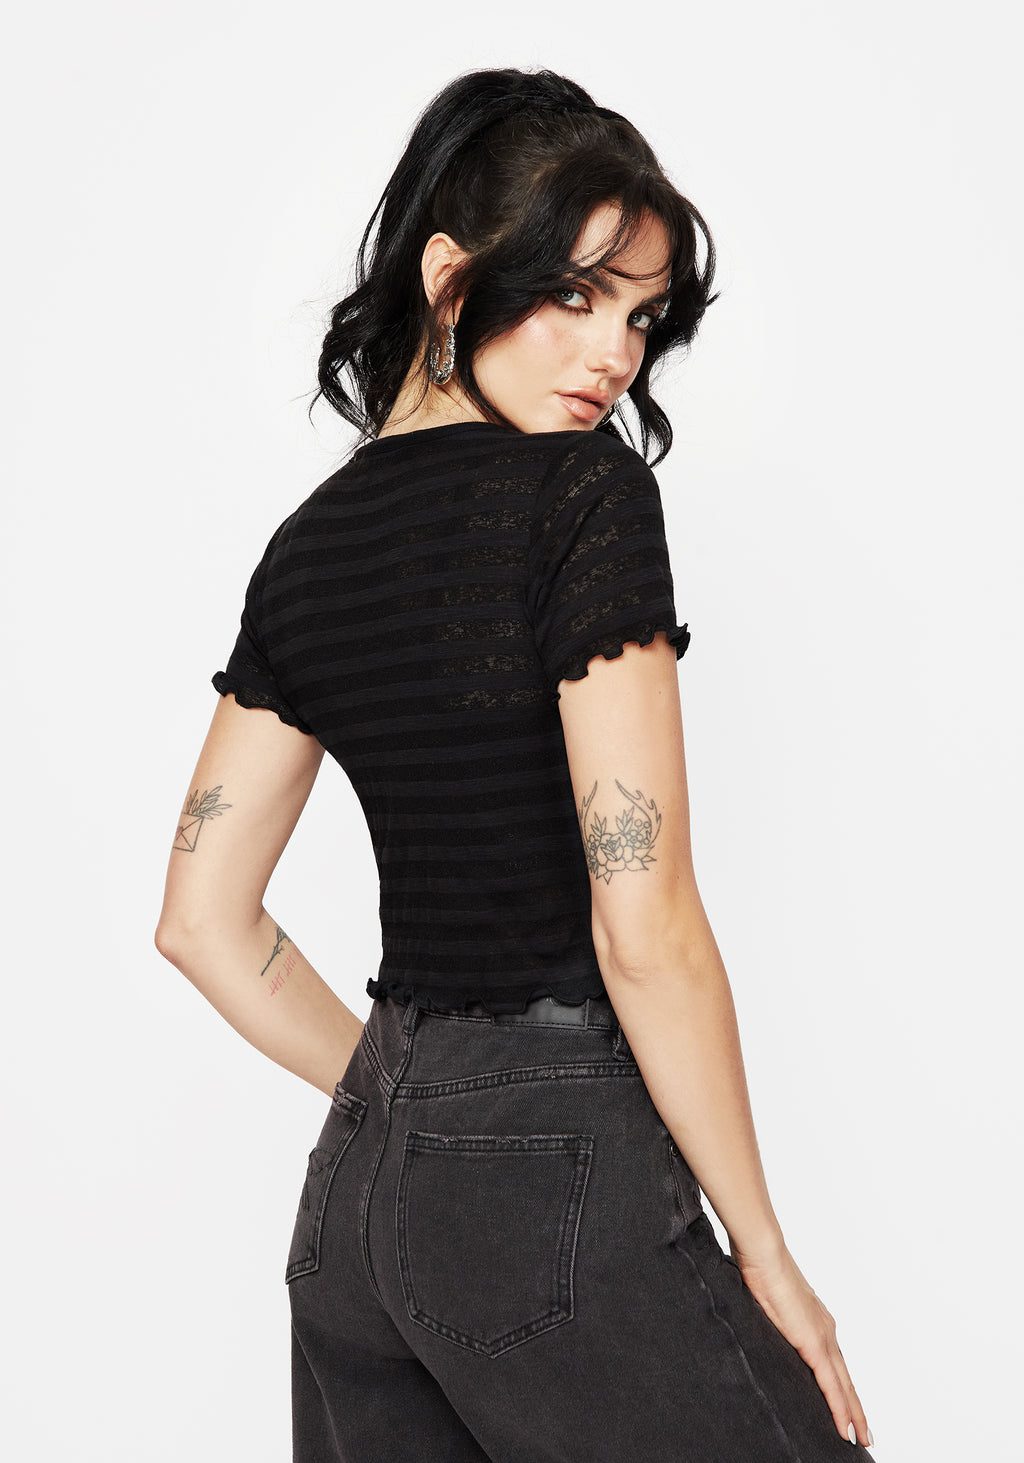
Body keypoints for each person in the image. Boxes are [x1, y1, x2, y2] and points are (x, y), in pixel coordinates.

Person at [155, 66, 875, 1462]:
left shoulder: (307, 552)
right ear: (450, 279)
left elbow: (198, 920)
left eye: (640, 318)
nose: (614, 357)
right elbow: (645, 926)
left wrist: (407, 1104)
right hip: (553, 1180)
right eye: (575, 295)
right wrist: (766, 1252)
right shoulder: (582, 497)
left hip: (355, 1212)